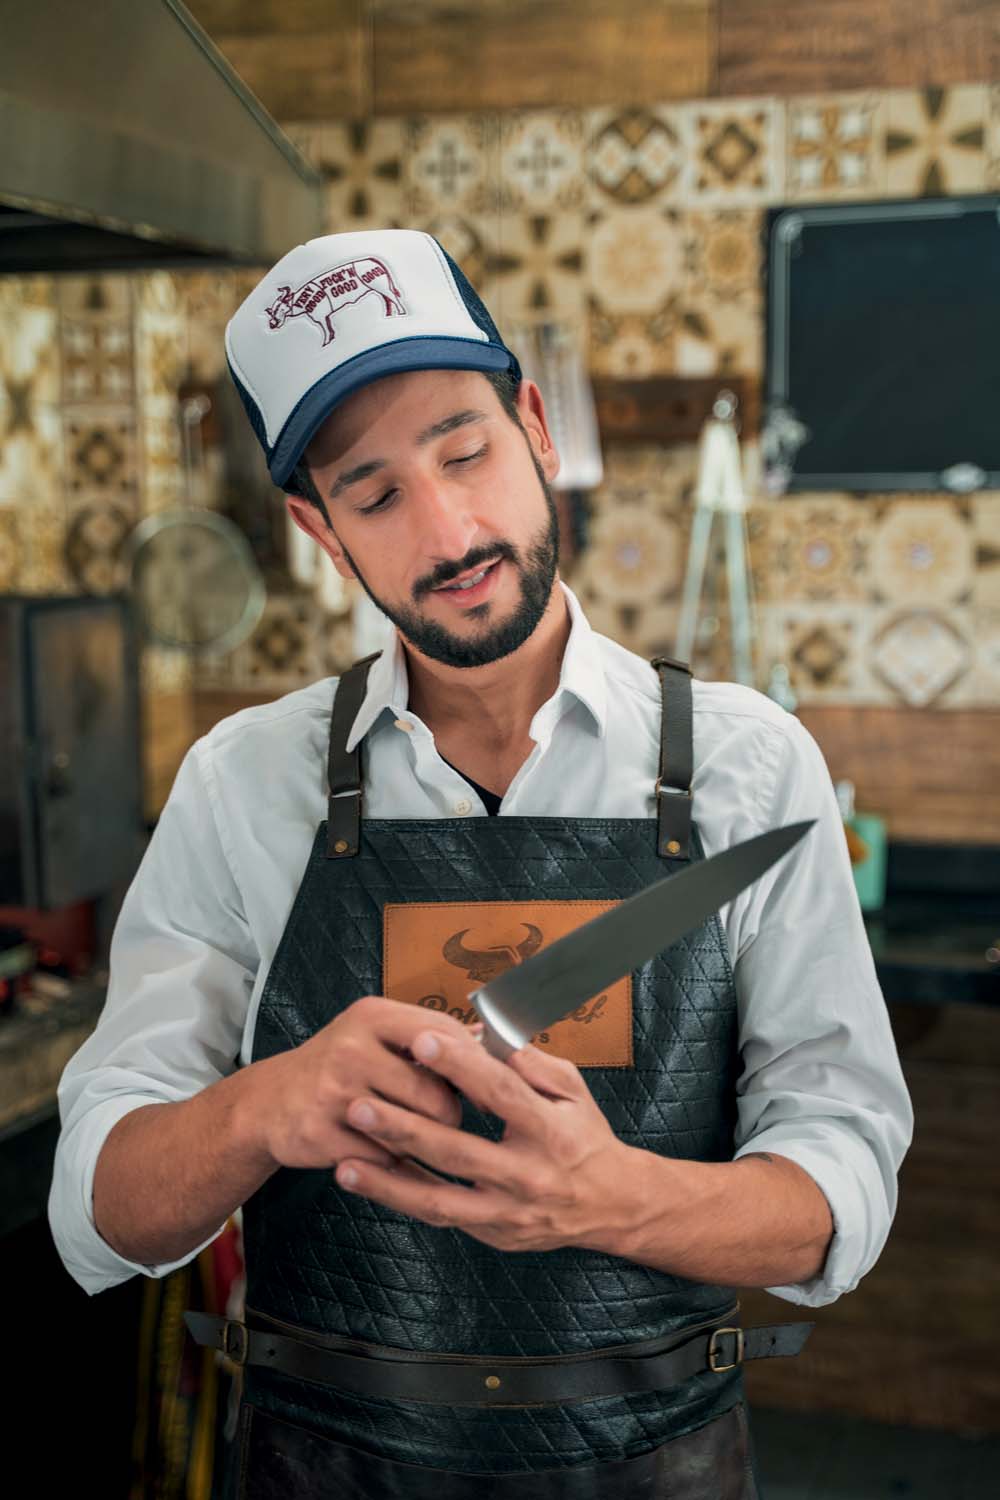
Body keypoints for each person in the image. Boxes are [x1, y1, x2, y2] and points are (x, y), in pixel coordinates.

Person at [49, 229, 913, 1499]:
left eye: (465, 453)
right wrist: (268, 1105)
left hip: (658, 1462)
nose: (450, 529)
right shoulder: (245, 781)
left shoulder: (745, 766)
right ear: (319, 529)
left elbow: (839, 1190)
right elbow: (100, 1209)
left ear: (535, 428)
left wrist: (612, 1198)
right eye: (376, 492)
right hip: (324, 1468)